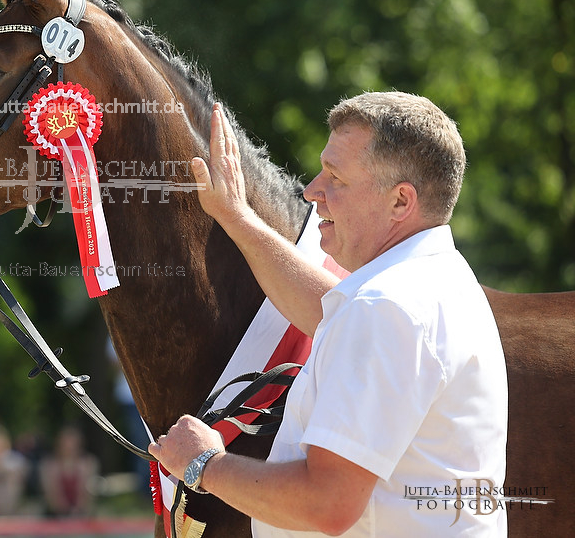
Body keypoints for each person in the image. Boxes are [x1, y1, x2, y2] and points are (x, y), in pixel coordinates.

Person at [149, 92, 508, 536]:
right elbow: (329, 312)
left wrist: (204, 463)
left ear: (400, 202)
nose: (312, 190)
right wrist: (235, 216)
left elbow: (328, 504)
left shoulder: (387, 306)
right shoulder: (435, 280)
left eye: (335, 177)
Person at [38, 425, 99, 518]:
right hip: (55, 516)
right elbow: (51, 496)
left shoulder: (89, 463)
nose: (69, 446)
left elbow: (89, 494)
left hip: (82, 515)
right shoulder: (48, 465)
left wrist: (78, 511)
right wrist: (65, 512)